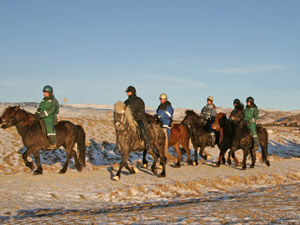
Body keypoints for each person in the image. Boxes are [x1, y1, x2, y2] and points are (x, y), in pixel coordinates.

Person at [124, 86, 151, 150]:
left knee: (142, 129)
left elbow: (141, 111)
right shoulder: (126, 102)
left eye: (129, 92)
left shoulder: (139, 100)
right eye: (127, 92)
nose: (128, 93)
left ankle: (147, 143)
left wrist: (134, 116)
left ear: (133, 92)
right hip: (128, 120)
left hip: (138, 119)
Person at [35, 85, 59, 150]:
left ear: (50, 93)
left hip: (50, 116)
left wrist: (42, 114)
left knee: (47, 124)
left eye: (46, 92)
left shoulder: (54, 101)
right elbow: (40, 108)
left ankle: (53, 143)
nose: (44, 94)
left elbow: (52, 110)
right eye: (44, 92)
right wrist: (37, 113)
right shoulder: (43, 100)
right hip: (43, 115)